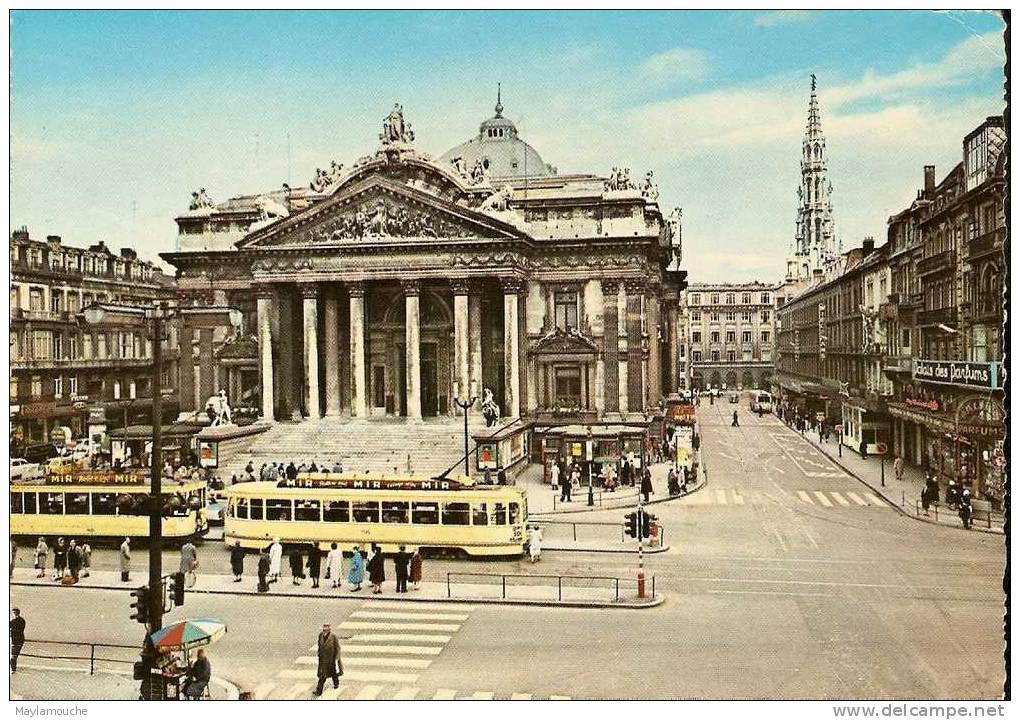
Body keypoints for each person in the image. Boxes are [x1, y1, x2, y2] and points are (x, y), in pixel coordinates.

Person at [313, 624, 343, 697]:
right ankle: (319, 690)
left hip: (330, 658)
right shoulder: (320, 635)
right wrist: (319, 653)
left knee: (333, 672)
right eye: (323, 630)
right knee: (322, 675)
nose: (324, 631)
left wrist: (337, 657)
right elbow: (319, 645)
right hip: (323, 659)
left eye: (326, 630)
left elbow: (338, 647)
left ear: (329, 630)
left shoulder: (333, 637)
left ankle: (336, 683)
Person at [10, 608, 26, 672]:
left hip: (17, 641)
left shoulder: (18, 621)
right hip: (17, 641)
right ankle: (13, 668)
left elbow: (19, 630)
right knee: (13, 656)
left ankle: (13, 669)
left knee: (13, 656)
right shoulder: (20, 620)